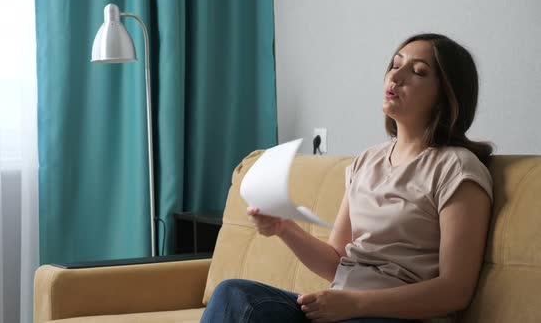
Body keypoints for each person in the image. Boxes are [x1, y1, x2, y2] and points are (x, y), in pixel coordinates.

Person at [200, 33, 494, 323]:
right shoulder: (367, 161)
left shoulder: (457, 169)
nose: (396, 76)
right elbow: (336, 261)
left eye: (418, 71)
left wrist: (355, 303)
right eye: (395, 64)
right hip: (343, 309)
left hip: (398, 317)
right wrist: (284, 227)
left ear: (446, 96)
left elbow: (455, 290)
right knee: (234, 295)